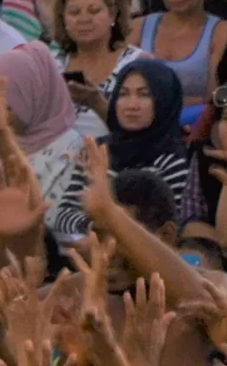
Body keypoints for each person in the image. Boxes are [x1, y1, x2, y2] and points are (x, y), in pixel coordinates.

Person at [52, 62, 192, 242]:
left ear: (164, 100)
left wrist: (106, 219)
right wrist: (100, 225)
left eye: (144, 95)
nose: (131, 105)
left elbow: (165, 225)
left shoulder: (173, 158)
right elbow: (63, 216)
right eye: (124, 93)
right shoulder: (98, 149)